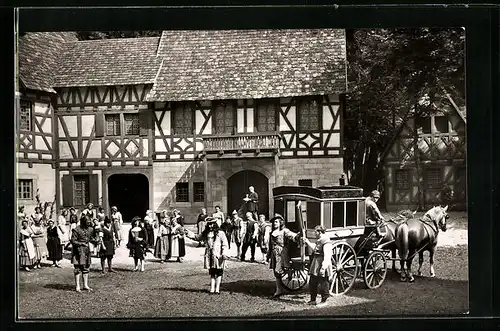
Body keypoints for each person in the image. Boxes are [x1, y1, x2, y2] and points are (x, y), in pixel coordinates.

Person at [185, 218, 229, 294]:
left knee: (219, 272)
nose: (211, 226)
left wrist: (224, 253)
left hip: (218, 255)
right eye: (209, 224)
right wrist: (188, 233)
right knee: (212, 272)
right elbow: (197, 237)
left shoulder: (220, 233)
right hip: (210, 255)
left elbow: (225, 244)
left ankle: (217, 289)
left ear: (215, 224)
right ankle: (212, 289)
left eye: (212, 224)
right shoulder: (206, 233)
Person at [266, 214, 301, 297]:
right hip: (274, 253)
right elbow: (270, 245)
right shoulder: (272, 232)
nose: (275, 223)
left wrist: (298, 235)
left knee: (280, 269)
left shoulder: (285, 231)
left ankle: (290, 275)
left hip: (282, 252)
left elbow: (293, 236)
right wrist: (268, 255)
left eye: (276, 222)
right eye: (274, 222)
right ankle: (279, 289)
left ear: (280, 223)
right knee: (276, 271)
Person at [303, 225, 333, 307]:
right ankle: (313, 300)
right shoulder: (320, 240)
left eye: (315, 231)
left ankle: (324, 301)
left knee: (324, 283)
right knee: (312, 282)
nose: (314, 233)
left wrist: (323, 267)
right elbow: (315, 248)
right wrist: (307, 242)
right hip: (316, 263)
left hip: (322, 263)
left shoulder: (326, 242)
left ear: (319, 232)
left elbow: (327, 256)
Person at [71, 214, 98, 292]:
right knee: (77, 268)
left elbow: (91, 238)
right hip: (78, 251)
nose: (88, 223)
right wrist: (80, 244)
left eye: (89, 222)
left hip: (86, 250)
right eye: (87, 222)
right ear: (83, 222)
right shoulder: (76, 229)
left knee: (86, 267)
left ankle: (85, 285)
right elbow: (73, 241)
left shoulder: (90, 229)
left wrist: (95, 241)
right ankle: (77, 286)